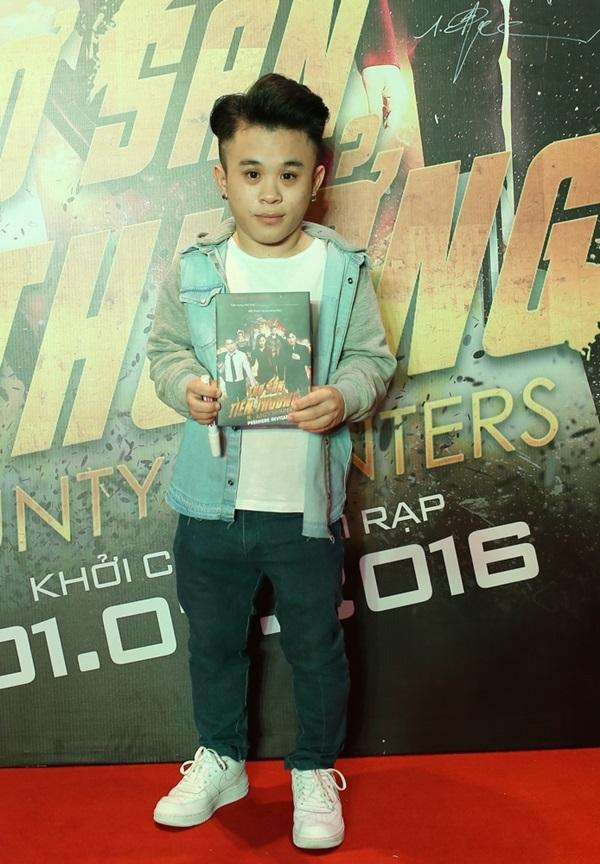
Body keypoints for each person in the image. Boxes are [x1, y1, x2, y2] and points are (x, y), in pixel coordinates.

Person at [147, 72, 396, 850]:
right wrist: (185, 388)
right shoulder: (196, 270)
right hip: (210, 507)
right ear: (222, 177)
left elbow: (373, 360)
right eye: (251, 173)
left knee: (317, 648)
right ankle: (221, 759)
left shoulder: (340, 268)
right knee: (215, 643)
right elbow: (163, 354)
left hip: (303, 509)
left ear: (317, 178)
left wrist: (344, 396)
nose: (269, 193)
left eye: (289, 175)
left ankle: (313, 769)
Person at [219, 336, 256, 402]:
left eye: (232, 343)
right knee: (232, 404)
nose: (230, 346)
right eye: (228, 344)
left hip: (240, 383)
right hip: (229, 384)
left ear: (235, 343)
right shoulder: (224, 356)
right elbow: (221, 371)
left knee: (243, 403)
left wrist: (253, 383)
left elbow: (248, 369)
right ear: (225, 346)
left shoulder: (242, 355)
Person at [280, 330, 311, 395]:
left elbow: (308, 361)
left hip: (302, 378)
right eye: (289, 338)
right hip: (291, 379)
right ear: (286, 339)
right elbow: (282, 363)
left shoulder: (303, 348)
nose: (291, 340)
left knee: (305, 397)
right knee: (293, 399)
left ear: (296, 337)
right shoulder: (283, 350)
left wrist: (300, 358)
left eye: (292, 337)